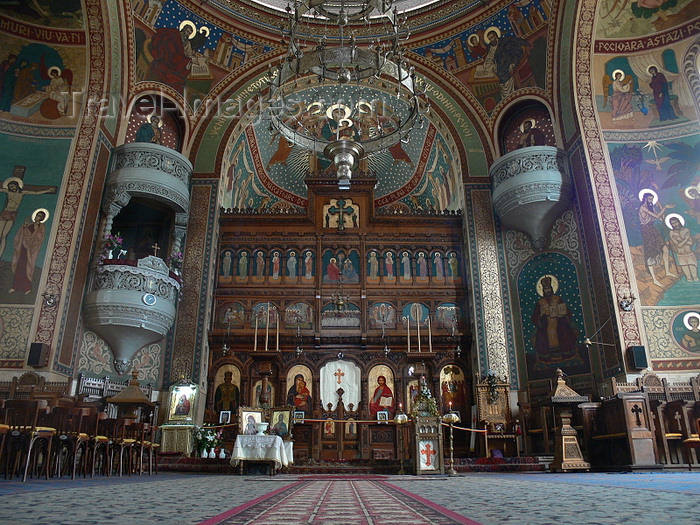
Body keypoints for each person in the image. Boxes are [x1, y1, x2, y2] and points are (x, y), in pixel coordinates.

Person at [531, 276, 578, 365]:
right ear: (543, 291)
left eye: (549, 288)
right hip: (545, 325)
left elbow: (567, 312)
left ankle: (566, 356)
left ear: (552, 288)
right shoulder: (540, 302)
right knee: (542, 337)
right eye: (546, 289)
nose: (547, 291)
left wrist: (562, 314)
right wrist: (540, 316)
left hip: (559, 322)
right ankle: (547, 359)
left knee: (564, 331)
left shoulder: (557, 299)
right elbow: (534, 317)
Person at [639, 192, 675, 286]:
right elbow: (657, 216)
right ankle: (654, 279)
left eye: (652, 199)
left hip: (653, 229)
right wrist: (665, 208)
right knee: (651, 253)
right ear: (645, 199)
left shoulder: (652, 208)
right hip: (647, 231)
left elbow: (661, 218)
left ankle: (667, 271)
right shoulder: (643, 208)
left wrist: (660, 207)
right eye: (650, 199)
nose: (651, 201)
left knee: (665, 249)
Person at [9, 208, 48, 294]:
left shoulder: (41, 227)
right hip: (23, 247)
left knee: (28, 266)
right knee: (20, 265)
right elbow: (22, 234)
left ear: (41, 218)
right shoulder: (29, 224)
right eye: (37, 215)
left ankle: (27, 287)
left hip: (31, 250)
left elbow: (40, 238)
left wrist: (36, 230)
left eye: (39, 216)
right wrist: (24, 226)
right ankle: (15, 286)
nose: (37, 217)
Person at [667, 215, 697, 282]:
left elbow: (691, 243)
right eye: (673, 224)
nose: (675, 224)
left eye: (676, 222)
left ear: (679, 222)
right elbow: (679, 245)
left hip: (689, 254)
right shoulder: (671, 233)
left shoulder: (686, 230)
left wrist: (679, 239)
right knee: (689, 278)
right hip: (681, 255)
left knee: (695, 277)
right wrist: (685, 239)